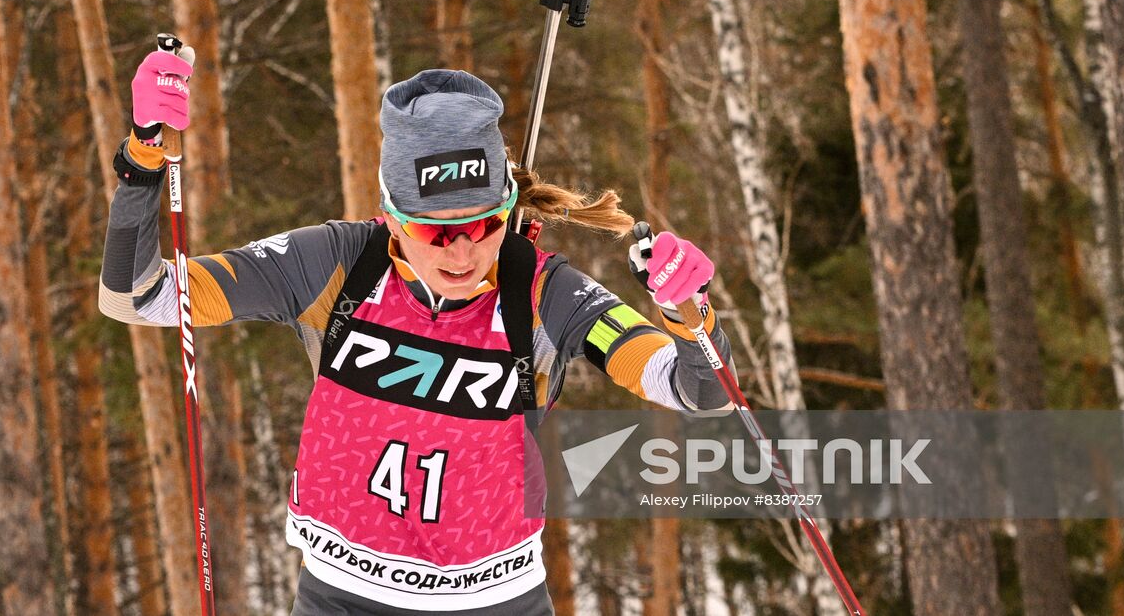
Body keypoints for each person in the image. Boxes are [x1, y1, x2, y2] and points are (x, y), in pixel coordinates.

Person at [100, 51, 734, 615]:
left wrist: (687, 317)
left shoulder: (538, 290)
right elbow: (141, 297)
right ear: (393, 217)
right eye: (436, 232)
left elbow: (694, 390)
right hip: (340, 596)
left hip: (497, 600)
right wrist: (144, 155)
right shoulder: (335, 265)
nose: (461, 254)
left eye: (484, 225)